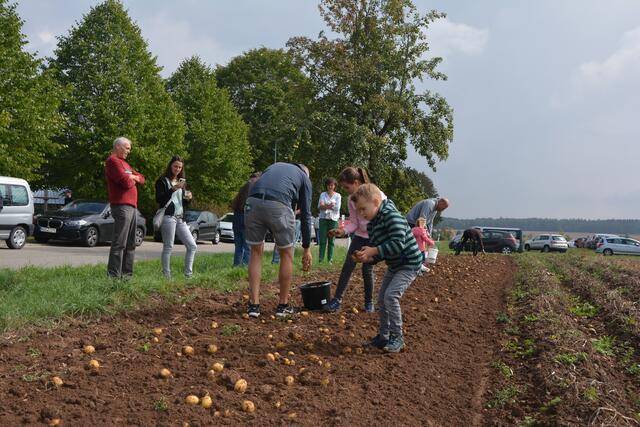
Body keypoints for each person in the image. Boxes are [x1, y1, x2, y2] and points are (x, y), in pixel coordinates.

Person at [351, 184, 423, 353]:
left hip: (409, 263)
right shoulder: (372, 224)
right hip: (395, 264)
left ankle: (397, 337)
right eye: (358, 210)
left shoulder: (392, 216)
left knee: (391, 296)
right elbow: (380, 251)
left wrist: (373, 250)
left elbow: (397, 244)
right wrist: (368, 257)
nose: (361, 214)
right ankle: (384, 336)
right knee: (382, 299)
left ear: (376, 202)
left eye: (363, 209)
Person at [244, 162, 313, 318]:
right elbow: (306, 214)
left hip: (252, 202)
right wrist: (307, 248)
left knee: (255, 252)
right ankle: (283, 306)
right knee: (286, 254)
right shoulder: (304, 178)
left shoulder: (275, 166)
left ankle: (254, 306)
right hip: (278, 204)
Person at [324, 167, 385, 313]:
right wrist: (343, 230)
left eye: (347, 187)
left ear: (356, 183)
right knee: (348, 266)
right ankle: (337, 300)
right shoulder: (351, 199)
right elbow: (355, 223)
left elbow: (384, 216)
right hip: (359, 236)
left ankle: (369, 302)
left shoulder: (376, 194)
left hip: (373, 237)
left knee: (367, 269)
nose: (346, 191)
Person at [104, 136, 145, 279]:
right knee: (120, 243)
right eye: (127, 148)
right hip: (121, 206)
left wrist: (133, 177)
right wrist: (132, 178)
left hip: (132, 207)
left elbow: (142, 178)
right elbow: (125, 183)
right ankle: (114, 277)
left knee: (131, 244)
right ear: (118, 146)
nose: (129, 151)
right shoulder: (112, 161)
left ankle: (127, 276)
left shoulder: (125, 164)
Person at [155, 155, 197, 278]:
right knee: (168, 247)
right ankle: (166, 276)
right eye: (175, 166)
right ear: (170, 166)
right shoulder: (162, 181)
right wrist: (173, 189)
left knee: (192, 245)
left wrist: (189, 198)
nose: (177, 169)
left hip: (180, 218)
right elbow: (159, 199)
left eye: (180, 167)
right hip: (168, 217)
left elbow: (182, 203)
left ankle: (188, 275)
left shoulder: (181, 182)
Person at [231, 172, 261, 267]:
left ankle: (236, 265)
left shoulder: (243, 188)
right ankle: (244, 266)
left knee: (238, 246)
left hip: (237, 218)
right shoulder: (253, 188)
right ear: (256, 179)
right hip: (246, 218)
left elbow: (234, 204)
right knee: (247, 246)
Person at [317, 177, 341, 263]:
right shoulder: (323, 194)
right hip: (323, 219)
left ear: (334, 186)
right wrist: (330, 205)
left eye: (332, 185)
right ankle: (321, 259)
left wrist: (325, 205)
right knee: (322, 240)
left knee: (331, 240)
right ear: (326, 186)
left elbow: (337, 208)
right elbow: (319, 206)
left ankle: (330, 259)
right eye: (328, 185)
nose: (330, 187)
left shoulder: (338, 195)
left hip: (333, 219)